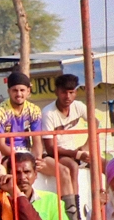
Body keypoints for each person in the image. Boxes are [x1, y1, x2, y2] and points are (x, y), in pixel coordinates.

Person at [38, 72, 93, 211]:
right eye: (64, 92)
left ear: (76, 92)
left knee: (102, 163)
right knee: (72, 167)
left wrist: (85, 147)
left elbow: (95, 123)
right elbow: (50, 148)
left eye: (71, 92)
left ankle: (103, 207)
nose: (67, 96)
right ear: (56, 92)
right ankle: (74, 210)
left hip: (72, 152)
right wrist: (77, 154)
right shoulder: (48, 113)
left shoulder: (78, 106)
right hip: (53, 155)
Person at [0, 72, 45, 158]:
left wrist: (37, 159)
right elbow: (0, 145)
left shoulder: (34, 110)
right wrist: (21, 158)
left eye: (22, 90)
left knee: (55, 166)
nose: (19, 94)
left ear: (28, 91)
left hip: (27, 153)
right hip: (5, 155)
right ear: (8, 91)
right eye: (15, 90)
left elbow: (37, 141)